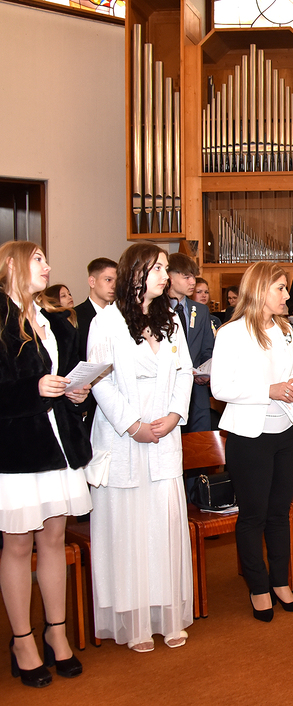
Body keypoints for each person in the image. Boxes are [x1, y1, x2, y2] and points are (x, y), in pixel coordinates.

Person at [88, 243, 194, 651]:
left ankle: (166, 615)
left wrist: (175, 414)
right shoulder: (106, 322)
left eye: (166, 269)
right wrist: (133, 425)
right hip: (124, 438)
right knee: (129, 531)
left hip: (164, 433)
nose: (166, 276)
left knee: (161, 526)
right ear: (136, 272)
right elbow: (100, 381)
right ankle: (133, 623)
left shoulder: (170, 319)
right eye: (159, 269)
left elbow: (184, 372)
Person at [1, 241, 92, 687]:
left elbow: (64, 376)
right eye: (38, 259)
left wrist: (76, 391)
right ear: (12, 264)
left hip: (59, 443)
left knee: (53, 539)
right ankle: (22, 641)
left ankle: (56, 633)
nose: (48, 266)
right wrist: (34, 390)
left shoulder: (53, 320)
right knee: (18, 546)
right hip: (18, 449)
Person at [211, 261, 293, 620]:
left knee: (280, 513)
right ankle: (258, 586)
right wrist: (269, 390)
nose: (287, 295)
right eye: (280, 288)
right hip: (250, 436)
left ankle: (280, 582)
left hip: (285, 431)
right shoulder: (231, 333)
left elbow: (291, 376)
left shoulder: (284, 329)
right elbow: (220, 388)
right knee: (253, 516)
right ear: (259, 290)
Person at [167, 254, 214, 433]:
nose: (192, 282)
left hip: (197, 393)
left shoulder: (200, 310)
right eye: (186, 277)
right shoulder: (156, 309)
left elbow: (207, 348)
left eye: (193, 276)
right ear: (169, 277)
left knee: (200, 443)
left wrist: (205, 371)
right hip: (168, 391)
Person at [74, 257, 117, 360]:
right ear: (92, 282)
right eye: (108, 280)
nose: (114, 286)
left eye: (117, 281)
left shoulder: (121, 316)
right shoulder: (75, 316)